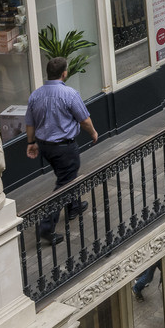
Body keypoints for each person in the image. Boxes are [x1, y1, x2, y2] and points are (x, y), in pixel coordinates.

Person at [25, 56, 98, 245]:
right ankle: (46, 227)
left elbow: (30, 123)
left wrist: (31, 143)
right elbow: (84, 120)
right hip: (64, 147)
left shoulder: (35, 95)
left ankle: (73, 207)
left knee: (66, 175)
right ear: (64, 73)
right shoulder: (70, 94)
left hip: (45, 147)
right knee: (65, 183)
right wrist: (93, 133)